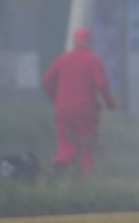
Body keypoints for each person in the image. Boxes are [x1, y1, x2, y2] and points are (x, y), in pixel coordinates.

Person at [42, 28, 117, 177]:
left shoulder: (62, 60)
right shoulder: (93, 60)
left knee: (65, 147)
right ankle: (83, 183)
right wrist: (110, 103)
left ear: (74, 42)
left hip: (63, 112)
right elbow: (102, 84)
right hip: (85, 113)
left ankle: (57, 168)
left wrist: (55, 98)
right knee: (85, 148)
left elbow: (46, 81)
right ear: (89, 43)